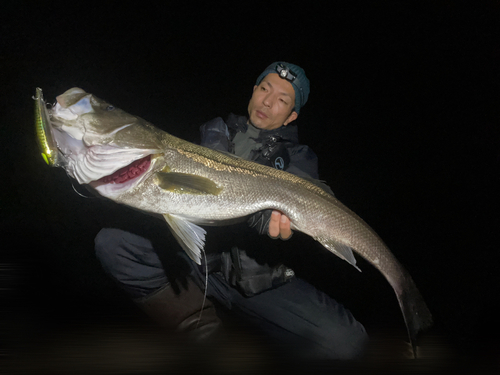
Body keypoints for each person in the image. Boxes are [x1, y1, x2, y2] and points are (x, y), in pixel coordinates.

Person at [94, 62, 368, 360]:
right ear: (253, 91)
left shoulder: (297, 157)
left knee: (348, 343)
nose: (267, 101)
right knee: (114, 243)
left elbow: (296, 195)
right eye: (265, 88)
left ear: (291, 116)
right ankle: (204, 337)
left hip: (260, 278)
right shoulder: (215, 130)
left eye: (282, 99)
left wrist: (269, 219)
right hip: (195, 260)